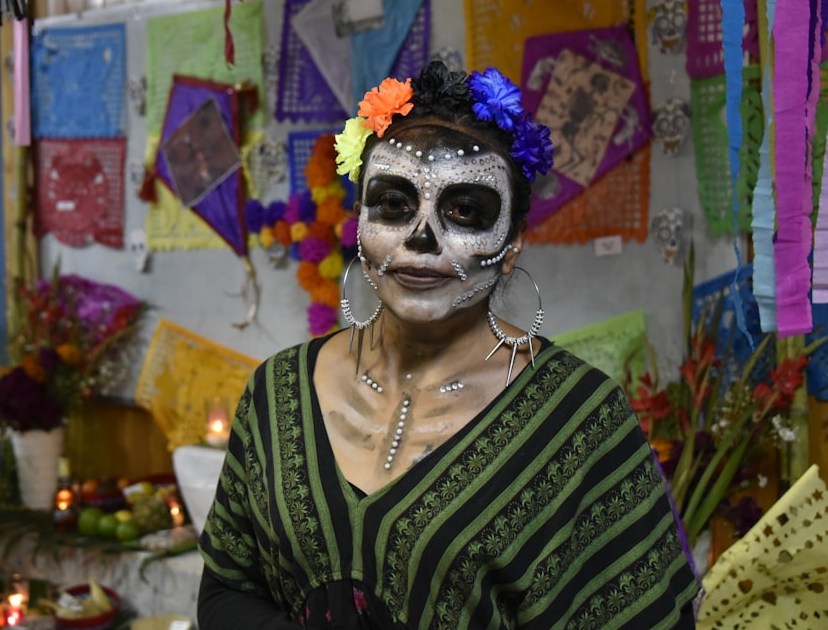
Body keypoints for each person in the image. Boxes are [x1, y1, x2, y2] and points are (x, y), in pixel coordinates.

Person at [197, 61, 701, 628]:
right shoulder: (276, 391)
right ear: (359, 222)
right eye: (393, 203)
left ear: (511, 246)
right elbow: (225, 592)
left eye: (464, 211)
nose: (421, 237)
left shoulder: (580, 423)